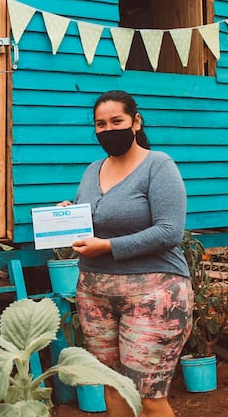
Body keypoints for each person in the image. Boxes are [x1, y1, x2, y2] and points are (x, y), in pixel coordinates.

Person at [60, 90, 192, 417]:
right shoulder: (93, 170)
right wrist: (69, 215)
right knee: (113, 385)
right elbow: (97, 220)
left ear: (135, 122)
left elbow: (169, 231)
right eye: (100, 124)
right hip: (95, 294)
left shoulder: (158, 166)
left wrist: (108, 247)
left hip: (154, 293)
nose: (108, 130)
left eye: (116, 121)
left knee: (148, 396)